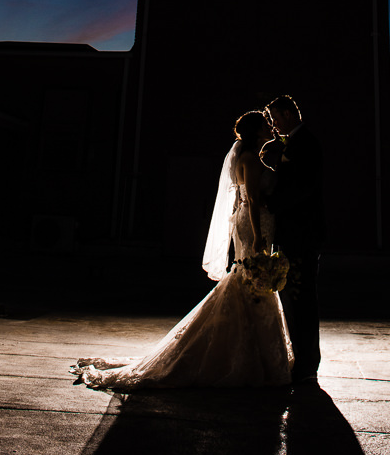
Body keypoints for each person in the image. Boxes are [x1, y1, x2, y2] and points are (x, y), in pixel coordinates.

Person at [69, 111, 293, 389]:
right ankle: (249, 357)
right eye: (265, 124)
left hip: (253, 221)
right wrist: (259, 236)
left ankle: (256, 353)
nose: (270, 127)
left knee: (248, 278)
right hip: (253, 224)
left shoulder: (253, 157)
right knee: (250, 277)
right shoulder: (248, 159)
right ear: (256, 132)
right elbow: (252, 199)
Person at [264, 95, 324, 383]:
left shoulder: (307, 144)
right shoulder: (290, 144)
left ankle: (307, 362)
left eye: (276, 118)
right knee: (292, 297)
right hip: (291, 234)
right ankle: (301, 357)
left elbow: (304, 188)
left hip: (302, 235)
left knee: (301, 298)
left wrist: (270, 204)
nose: (274, 125)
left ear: (288, 114)